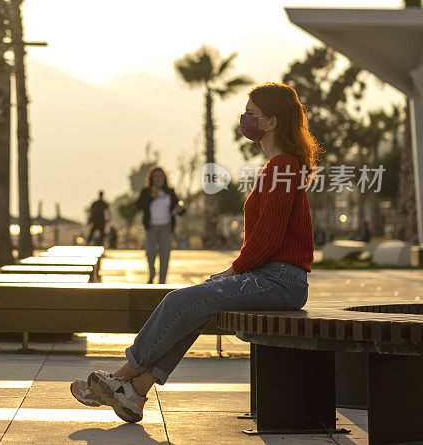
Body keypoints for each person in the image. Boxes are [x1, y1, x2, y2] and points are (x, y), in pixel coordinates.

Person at [70, 82, 315, 423]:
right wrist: (240, 271)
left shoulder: (282, 167)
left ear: (271, 123)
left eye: (251, 114)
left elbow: (269, 238)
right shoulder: (279, 166)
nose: (244, 120)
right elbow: (265, 237)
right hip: (272, 278)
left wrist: (234, 271)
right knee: (194, 307)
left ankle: (120, 377)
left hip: (280, 280)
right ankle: (136, 393)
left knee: (179, 301)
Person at [136, 166, 185, 284]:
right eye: (155, 176)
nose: (158, 178)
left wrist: (181, 209)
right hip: (151, 226)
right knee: (150, 251)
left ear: (164, 177)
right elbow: (139, 205)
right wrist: (150, 198)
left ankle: (162, 280)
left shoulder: (169, 191)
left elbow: (178, 207)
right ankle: (152, 273)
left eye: (160, 176)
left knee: (165, 254)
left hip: (166, 226)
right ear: (151, 178)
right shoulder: (146, 191)